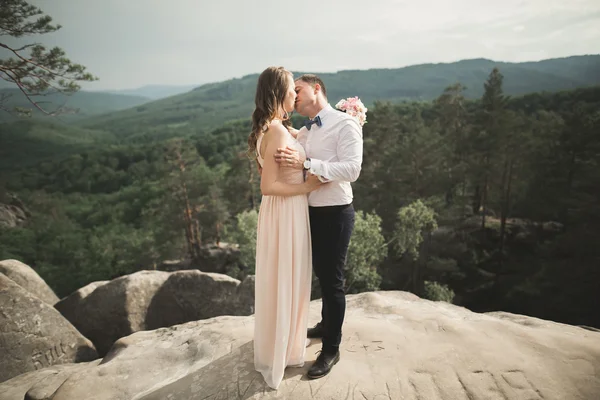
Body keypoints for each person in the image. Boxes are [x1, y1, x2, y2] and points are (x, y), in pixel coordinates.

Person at [275, 74, 363, 379]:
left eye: (297, 90)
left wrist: (308, 166)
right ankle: (326, 325)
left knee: (333, 281)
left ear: (317, 89)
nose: (294, 96)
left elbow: (352, 170)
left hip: (336, 212)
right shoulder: (306, 131)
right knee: (319, 275)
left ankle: (331, 349)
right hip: (307, 211)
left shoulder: (344, 124)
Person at [250, 66, 323, 389]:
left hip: (285, 212)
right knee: (286, 278)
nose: (296, 94)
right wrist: (306, 190)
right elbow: (268, 186)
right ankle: (281, 349)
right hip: (285, 210)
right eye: (292, 90)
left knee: (286, 277)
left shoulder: (278, 128)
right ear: (279, 94)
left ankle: (282, 344)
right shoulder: (277, 131)